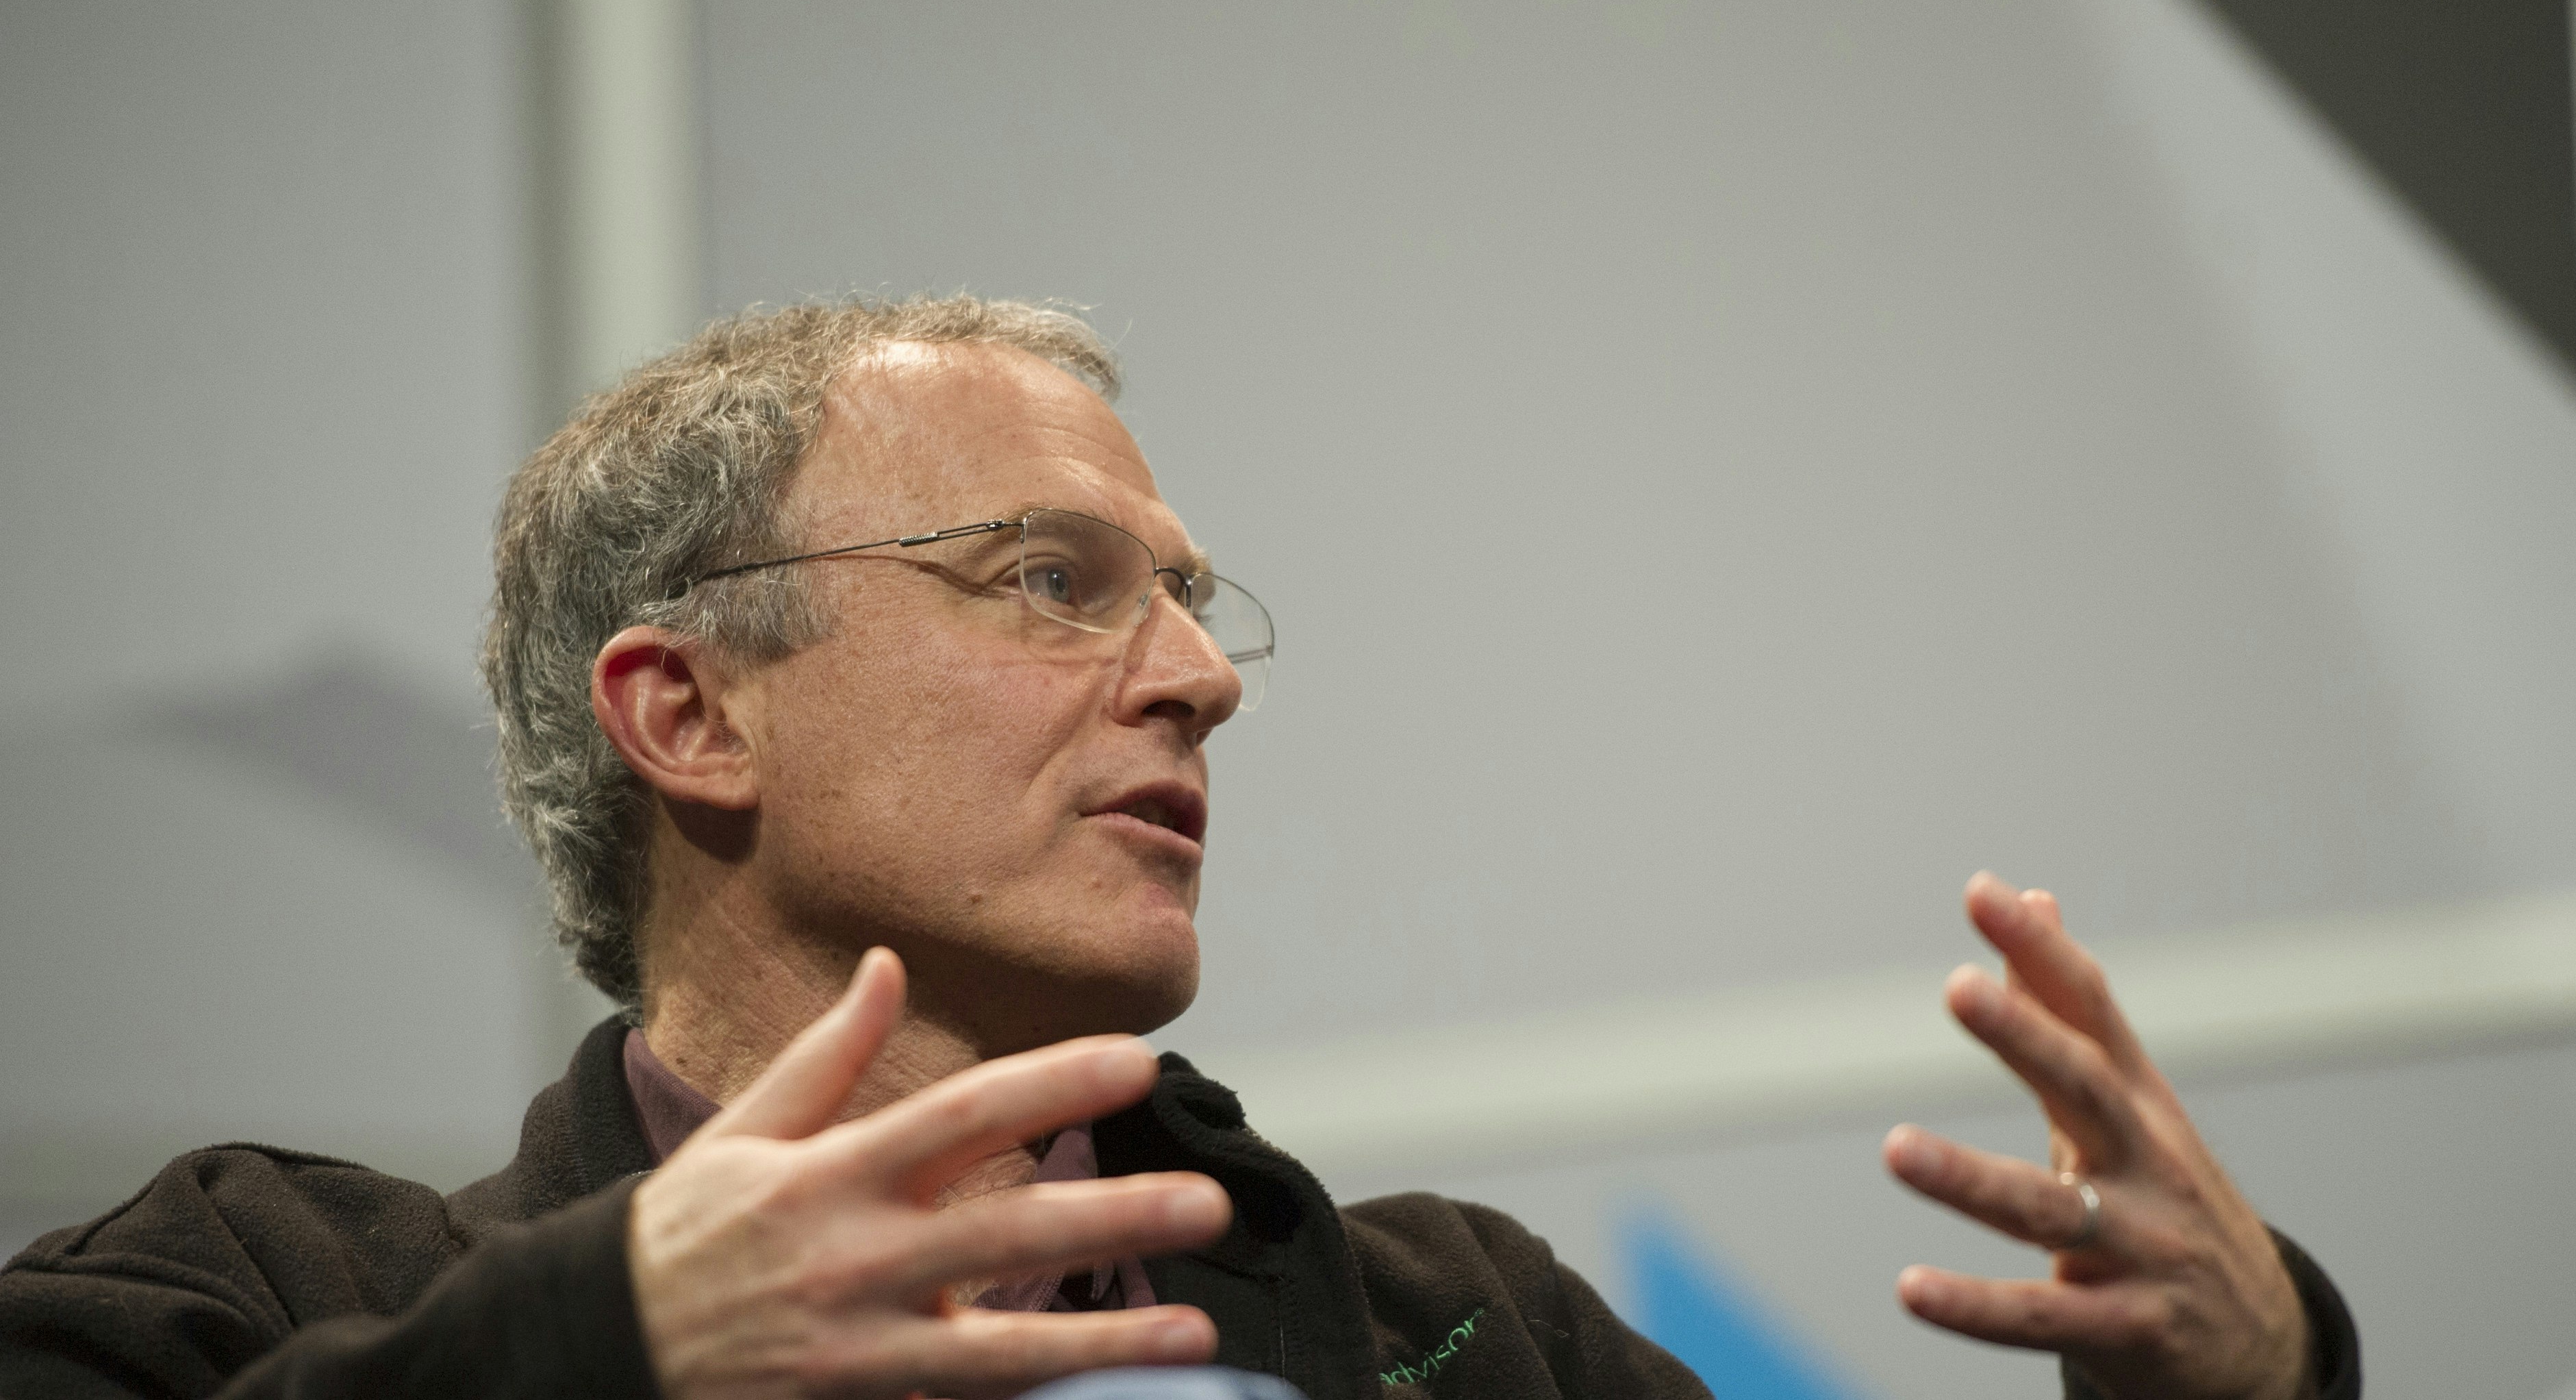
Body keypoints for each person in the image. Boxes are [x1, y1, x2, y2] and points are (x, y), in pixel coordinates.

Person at [0, 298, 2357, 1399]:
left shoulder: (1469, 1338)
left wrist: (2254, 1393)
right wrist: (597, 1360)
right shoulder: (265, 1293)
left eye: (1193, 604)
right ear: (690, 712)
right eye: (1051, 580)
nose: (1202, 679)